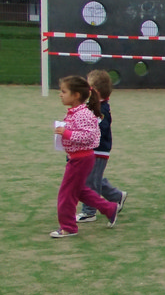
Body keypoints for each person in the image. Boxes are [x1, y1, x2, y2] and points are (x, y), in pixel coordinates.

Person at [50, 75, 123, 237]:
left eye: (64, 92)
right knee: (79, 190)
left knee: (66, 194)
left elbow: (90, 137)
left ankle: (68, 227)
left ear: (76, 95)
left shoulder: (83, 114)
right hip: (77, 158)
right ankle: (109, 208)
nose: (60, 95)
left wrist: (66, 133)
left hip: (81, 159)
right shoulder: (76, 112)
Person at [76, 69, 127, 225]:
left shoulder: (101, 109)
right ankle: (116, 196)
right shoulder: (92, 106)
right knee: (93, 178)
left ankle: (89, 211)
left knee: (90, 181)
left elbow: (100, 128)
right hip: (91, 150)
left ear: (95, 92)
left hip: (98, 151)